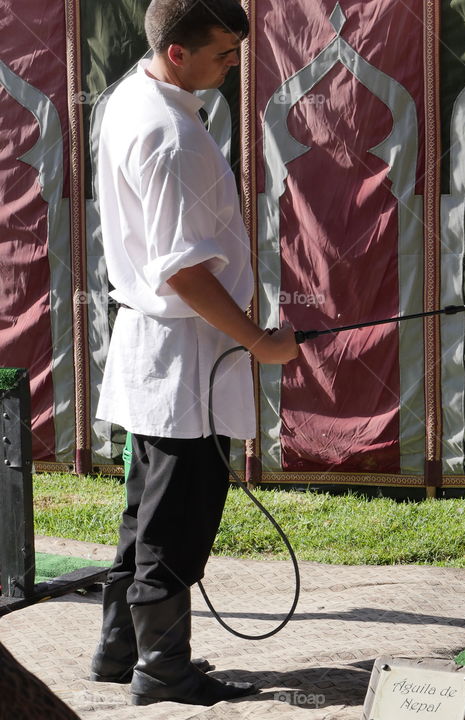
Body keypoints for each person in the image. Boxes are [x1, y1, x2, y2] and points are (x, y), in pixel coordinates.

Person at [89, 0, 298, 706]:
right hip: (184, 359)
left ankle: (120, 649)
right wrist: (259, 341)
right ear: (178, 52)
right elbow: (182, 270)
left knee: (145, 512)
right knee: (175, 522)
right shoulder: (168, 132)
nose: (234, 65)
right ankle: (163, 670)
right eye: (223, 54)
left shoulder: (133, 95)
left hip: (160, 355)